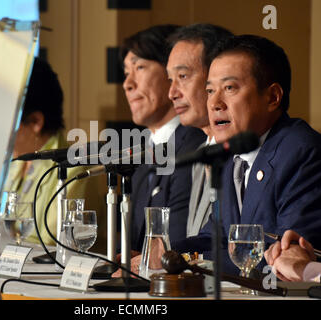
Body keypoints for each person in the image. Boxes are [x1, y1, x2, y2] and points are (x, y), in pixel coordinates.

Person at [172, 34, 321, 275]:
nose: (214, 103)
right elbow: (215, 238)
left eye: (229, 88)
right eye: (210, 91)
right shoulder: (234, 156)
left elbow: (285, 257)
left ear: (273, 97)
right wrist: (165, 254)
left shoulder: (301, 151)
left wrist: (186, 261)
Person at [120, 25, 206, 257]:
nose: (128, 84)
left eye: (139, 67)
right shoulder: (141, 151)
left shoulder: (196, 146)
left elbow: (177, 245)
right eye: (126, 72)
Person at [4, 57, 104, 251]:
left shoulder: (73, 167)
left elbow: (53, 243)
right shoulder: (16, 162)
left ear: (35, 122)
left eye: (8, 118)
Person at [167, 24, 233, 237]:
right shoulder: (200, 156)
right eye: (170, 80)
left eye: (183, 76)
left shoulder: (241, 158)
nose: (172, 93)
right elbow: (199, 243)